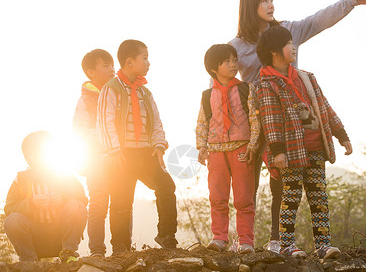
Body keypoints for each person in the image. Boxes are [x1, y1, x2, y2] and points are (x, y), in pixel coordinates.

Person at [229, 0, 366, 252]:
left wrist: (350, 2)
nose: (271, 4)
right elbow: (222, 82)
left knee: (284, 184)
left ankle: (278, 240)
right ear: (251, 6)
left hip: (290, 122)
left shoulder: (288, 31)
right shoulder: (236, 46)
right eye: (264, 1)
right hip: (256, 118)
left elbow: (318, 20)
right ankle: (245, 241)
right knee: (247, 180)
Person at [256, 26, 352, 259]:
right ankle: (287, 244)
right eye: (288, 44)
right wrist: (277, 151)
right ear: (273, 51)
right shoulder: (266, 85)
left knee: (319, 196)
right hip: (290, 151)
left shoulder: (307, 78)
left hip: (316, 147)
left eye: (293, 42)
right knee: (291, 197)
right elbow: (270, 120)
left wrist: (341, 134)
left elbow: (324, 107)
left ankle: (323, 245)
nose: (294, 47)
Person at [97, 39, 177, 253]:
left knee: (167, 187)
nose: (148, 63)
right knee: (122, 200)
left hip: (146, 152)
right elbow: (105, 121)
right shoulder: (111, 88)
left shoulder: (145, 93)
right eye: (145, 58)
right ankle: (121, 245)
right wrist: (113, 150)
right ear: (130, 62)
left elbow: (157, 122)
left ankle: (167, 235)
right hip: (122, 154)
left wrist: (159, 146)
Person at [196, 44, 260, 254]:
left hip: (241, 148)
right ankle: (220, 237)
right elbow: (203, 122)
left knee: (244, 197)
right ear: (214, 67)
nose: (234, 64)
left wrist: (252, 144)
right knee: (217, 196)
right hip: (215, 151)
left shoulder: (246, 89)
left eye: (235, 60)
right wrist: (201, 147)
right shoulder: (207, 95)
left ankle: (246, 240)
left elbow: (254, 118)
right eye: (228, 61)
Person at [4, 131, 87, 263]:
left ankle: (69, 253)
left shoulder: (64, 174)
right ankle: (28, 260)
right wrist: (30, 203)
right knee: (12, 220)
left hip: (60, 235)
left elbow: (82, 199)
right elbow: (9, 209)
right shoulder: (20, 179)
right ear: (28, 157)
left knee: (76, 206)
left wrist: (63, 198)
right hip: (34, 238)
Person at [73, 49, 115, 257]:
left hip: (120, 159)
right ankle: (97, 249)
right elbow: (80, 131)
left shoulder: (119, 94)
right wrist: (106, 135)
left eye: (112, 65)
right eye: (105, 65)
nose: (111, 69)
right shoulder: (85, 101)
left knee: (121, 202)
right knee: (98, 202)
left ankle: (122, 247)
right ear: (91, 72)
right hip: (96, 160)